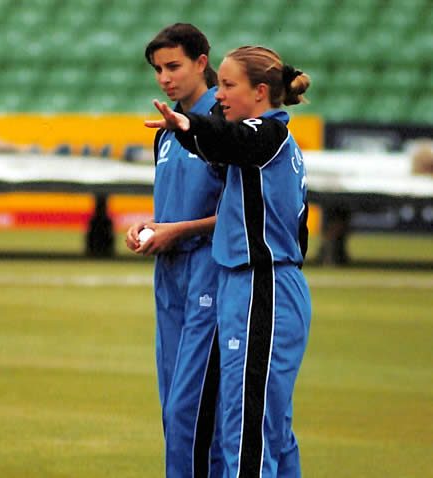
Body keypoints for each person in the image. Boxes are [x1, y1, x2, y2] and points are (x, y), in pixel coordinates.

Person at [145, 46, 312, 478]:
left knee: (246, 429)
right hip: (256, 284)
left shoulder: (266, 134)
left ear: (260, 92)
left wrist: (188, 123)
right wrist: (187, 130)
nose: (219, 94)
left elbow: (229, 138)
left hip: (264, 285)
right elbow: (223, 143)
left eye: (228, 85)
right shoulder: (271, 141)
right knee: (268, 427)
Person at [125, 24, 224, 478]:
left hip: (209, 270)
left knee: (196, 408)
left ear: (202, 63)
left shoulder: (225, 126)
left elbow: (244, 214)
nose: (164, 78)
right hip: (168, 274)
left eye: (174, 66)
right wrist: (149, 227)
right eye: (158, 70)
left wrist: (177, 231)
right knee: (173, 407)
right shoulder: (165, 132)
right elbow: (172, 203)